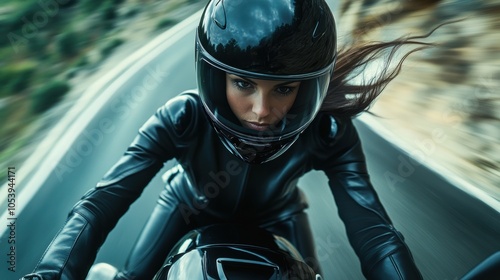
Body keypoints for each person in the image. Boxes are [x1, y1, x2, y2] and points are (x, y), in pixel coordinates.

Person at [21, 0, 432, 279]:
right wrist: (51, 274)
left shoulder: (328, 131)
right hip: (185, 209)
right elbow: (101, 202)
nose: (261, 110)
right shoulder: (182, 116)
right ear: (217, 79)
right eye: (243, 84)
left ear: (307, 90)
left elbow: (375, 232)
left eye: (284, 89)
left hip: (280, 218)